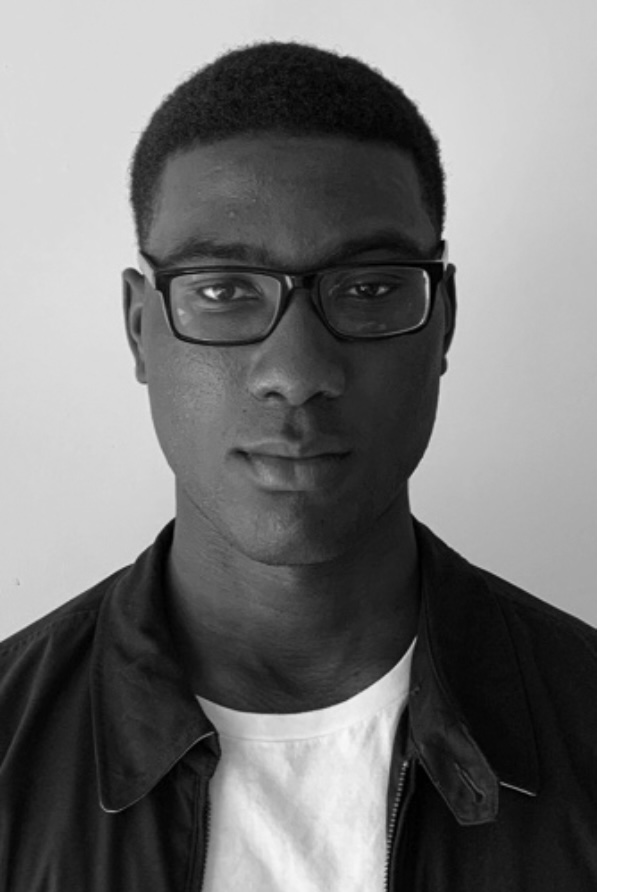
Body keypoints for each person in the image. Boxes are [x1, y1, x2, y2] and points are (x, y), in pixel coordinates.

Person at [0, 43, 595, 890]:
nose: (298, 371)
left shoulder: (623, 729)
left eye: (367, 288)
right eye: (224, 289)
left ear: (444, 322)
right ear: (140, 327)